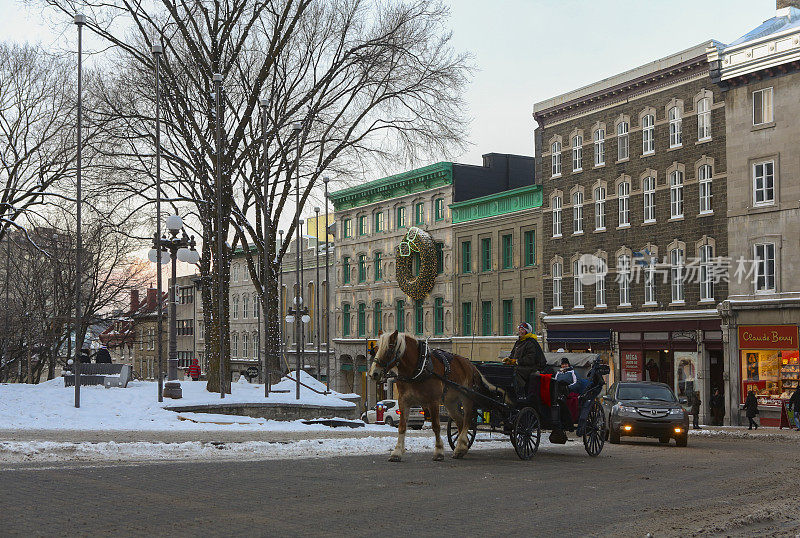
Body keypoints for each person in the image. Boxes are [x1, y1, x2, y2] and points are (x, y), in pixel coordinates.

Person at [511, 322, 548, 397]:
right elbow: (512, 354)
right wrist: (509, 360)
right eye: (519, 329)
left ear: (527, 331)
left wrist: (518, 361)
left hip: (531, 367)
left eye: (522, 330)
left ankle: (521, 393)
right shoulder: (519, 342)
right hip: (521, 365)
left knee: (515, 371)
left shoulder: (531, 342)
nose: (520, 331)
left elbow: (531, 359)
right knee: (507, 369)